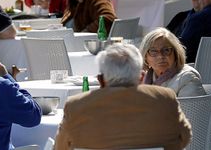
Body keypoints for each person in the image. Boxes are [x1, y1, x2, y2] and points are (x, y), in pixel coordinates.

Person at [55, 43, 191, 150]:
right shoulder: (165, 99)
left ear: (101, 80)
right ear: (141, 78)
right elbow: (185, 138)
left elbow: (60, 148)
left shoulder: (75, 106)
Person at [140, 28, 206, 97]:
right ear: (145, 57)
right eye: (153, 51)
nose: (160, 56)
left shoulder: (187, 78)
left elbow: (190, 104)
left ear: (176, 53)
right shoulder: (144, 79)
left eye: (166, 50)